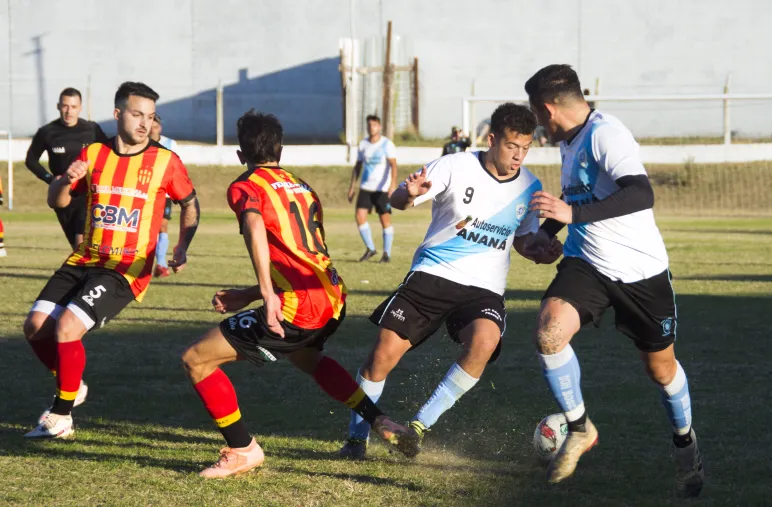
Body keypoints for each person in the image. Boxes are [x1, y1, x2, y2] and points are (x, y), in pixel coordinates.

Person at [180, 110, 417, 478]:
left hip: (299, 307)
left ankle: (243, 449)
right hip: (332, 297)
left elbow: (256, 225)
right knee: (306, 358)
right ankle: (378, 419)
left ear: (241, 156)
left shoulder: (245, 185)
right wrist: (251, 294)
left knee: (196, 359)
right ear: (281, 149)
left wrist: (266, 294)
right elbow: (301, 255)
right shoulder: (302, 186)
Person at [339, 103, 562, 460]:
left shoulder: (529, 186)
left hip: (483, 289)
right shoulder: (455, 165)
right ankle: (356, 439)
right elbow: (399, 199)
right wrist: (409, 194)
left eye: (525, 148)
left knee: (485, 342)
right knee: (380, 358)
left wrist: (542, 250)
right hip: (432, 276)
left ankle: (418, 427)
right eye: (511, 146)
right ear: (492, 139)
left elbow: (523, 239)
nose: (518, 156)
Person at [523, 64, 703, 496]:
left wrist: (573, 215)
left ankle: (685, 442)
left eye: (534, 113)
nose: (536, 124)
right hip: (588, 264)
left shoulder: (607, 133)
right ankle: (580, 428)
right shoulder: (570, 142)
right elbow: (575, 196)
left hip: (642, 273)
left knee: (660, 371)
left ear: (548, 109)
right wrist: (547, 237)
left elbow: (641, 192)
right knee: (549, 333)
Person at [21, 82, 201, 439]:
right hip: (86, 257)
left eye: (150, 117)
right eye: (137, 115)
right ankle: (72, 385)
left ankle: (62, 415)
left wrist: (183, 245)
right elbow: (56, 202)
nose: (144, 124)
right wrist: (63, 181)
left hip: (127, 268)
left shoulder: (166, 160)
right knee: (34, 326)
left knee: (67, 327)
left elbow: (190, 204)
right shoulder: (93, 154)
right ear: (118, 113)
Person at [26, 88, 108, 250]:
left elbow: (107, 153)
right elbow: (31, 160)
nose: (69, 111)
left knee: (81, 242)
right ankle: (84, 273)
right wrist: (50, 179)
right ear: (58, 106)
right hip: (62, 193)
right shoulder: (47, 132)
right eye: (65, 106)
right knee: (76, 247)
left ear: (80, 108)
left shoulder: (91, 129)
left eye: (73, 106)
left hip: (87, 192)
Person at [347, 115, 397, 262]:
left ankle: (386, 253)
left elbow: (393, 165)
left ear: (379, 127)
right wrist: (352, 186)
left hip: (381, 188)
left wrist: (392, 184)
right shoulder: (363, 144)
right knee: (359, 216)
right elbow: (358, 166)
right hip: (366, 187)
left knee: (385, 220)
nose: (371, 127)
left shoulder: (387, 144)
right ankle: (371, 248)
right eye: (369, 125)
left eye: (374, 125)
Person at [149, 115, 180, 278]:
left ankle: (160, 264)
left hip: (164, 193)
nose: (152, 130)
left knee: (163, 225)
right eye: (150, 126)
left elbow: (176, 167)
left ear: (159, 127)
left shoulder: (170, 144)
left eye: (155, 127)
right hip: (145, 192)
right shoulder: (142, 143)